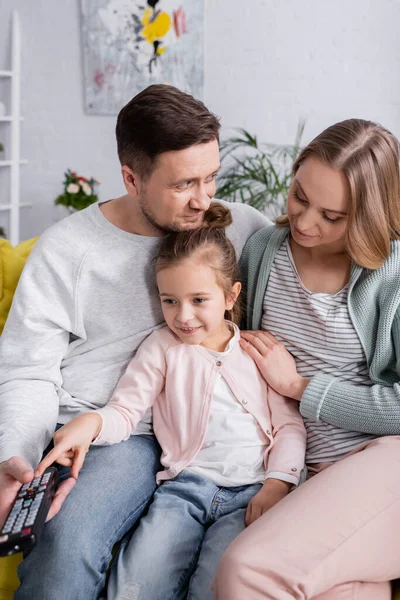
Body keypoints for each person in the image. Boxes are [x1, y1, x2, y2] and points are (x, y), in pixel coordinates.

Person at [0, 85, 270, 600]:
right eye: (184, 183)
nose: (204, 198)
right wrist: (15, 453)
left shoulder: (241, 231)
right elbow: (27, 369)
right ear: (132, 178)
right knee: (63, 545)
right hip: (105, 426)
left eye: (212, 177)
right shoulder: (70, 249)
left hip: (195, 433)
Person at [36, 202, 306, 600]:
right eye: (169, 300)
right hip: (183, 491)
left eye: (199, 300)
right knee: (136, 583)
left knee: (216, 586)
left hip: (250, 491)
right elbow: (126, 410)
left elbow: (288, 426)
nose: (183, 316)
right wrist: (91, 423)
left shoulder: (257, 352)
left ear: (231, 295)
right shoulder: (161, 347)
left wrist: (278, 483)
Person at [213, 118, 400, 600]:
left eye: (331, 216)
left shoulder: (391, 277)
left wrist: (300, 388)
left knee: (245, 571)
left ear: (367, 216)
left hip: (381, 461)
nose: (304, 221)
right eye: (300, 196)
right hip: (301, 472)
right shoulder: (263, 252)